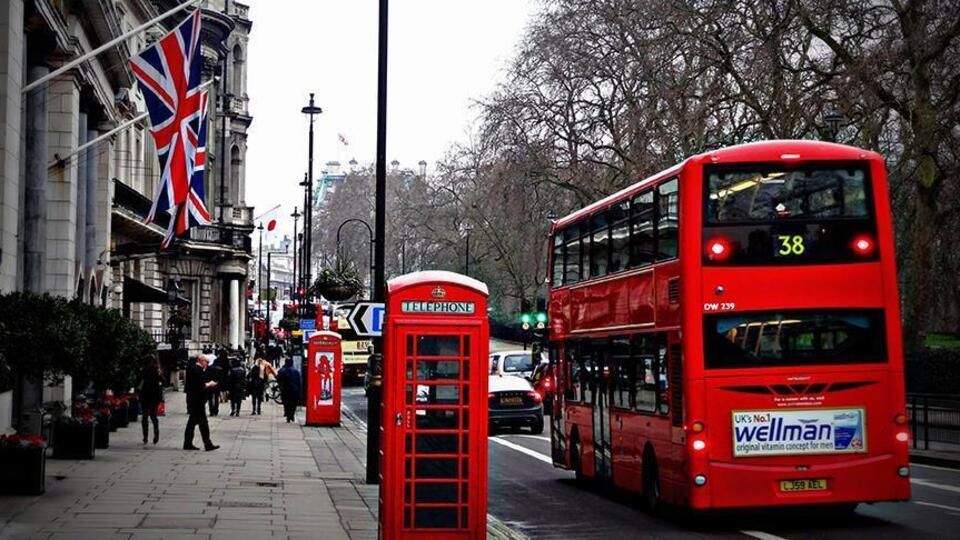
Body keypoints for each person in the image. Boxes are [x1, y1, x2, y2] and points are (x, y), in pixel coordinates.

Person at [183, 354, 219, 451]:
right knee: (201, 423)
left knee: (194, 423)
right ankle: (206, 444)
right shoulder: (197, 369)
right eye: (206, 362)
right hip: (198, 400)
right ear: (201, 361)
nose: (207, 364)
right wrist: (210, 384)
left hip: (195, 399)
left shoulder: (193, 368)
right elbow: (200, 385)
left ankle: (190, 443)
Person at [139, 354, 163, 445]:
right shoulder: (155, 369)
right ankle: (156, 433)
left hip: (145, 395)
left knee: (145, 416)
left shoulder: (143, 370)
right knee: (153, 416)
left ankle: (145, 436)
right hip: (154, 396)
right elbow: (162, 380)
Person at [276, 357, 302, 423]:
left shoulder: (283, 371)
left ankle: (288, 415)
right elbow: (299, 382)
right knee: (293, 404)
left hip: (286, 390)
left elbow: (279, 379)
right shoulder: (296, 372)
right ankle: (291, 414)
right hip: (295, 390)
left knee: (286, 403)